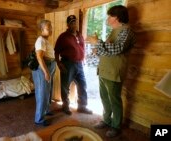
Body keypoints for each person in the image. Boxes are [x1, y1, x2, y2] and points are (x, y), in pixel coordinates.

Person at [86, 5, 136, 137]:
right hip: (104, 70)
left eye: (110, 16)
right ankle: (107, 120)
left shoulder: (127, 31)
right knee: (104, 98)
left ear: (117, 17)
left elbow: (116, 49)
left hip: (114, 72)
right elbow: (105, 50)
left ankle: (116, 126)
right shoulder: (114, 30)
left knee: (114, 100)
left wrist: (97, 42)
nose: (107, 18)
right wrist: (96, 48)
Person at [54, 15, 93, 115]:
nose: (73, 24)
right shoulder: (63, 36)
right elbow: (56, 51)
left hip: (79, 64)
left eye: (74, 22)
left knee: (82, 85)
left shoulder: (79, 35)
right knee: (65, 86)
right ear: (67, 24)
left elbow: (82, 48)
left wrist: (83, 58)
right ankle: (65, 106)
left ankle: (82, 106)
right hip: (68, 64)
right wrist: (58, 63)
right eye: (71, 22)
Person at [32, 20, 56, 126]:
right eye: (47, 28)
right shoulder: (40, 40)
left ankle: (46, 110)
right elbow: (39, 57)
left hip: (50, 65)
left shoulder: (45, 40)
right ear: (42, 30)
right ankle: (39, 119)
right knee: (42, 92)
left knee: (47, 90)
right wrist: (46, 72)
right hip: (44, 67)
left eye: (50, 27)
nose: (50, 29)